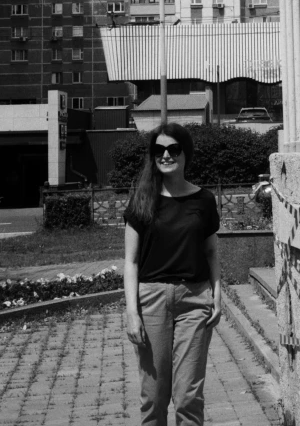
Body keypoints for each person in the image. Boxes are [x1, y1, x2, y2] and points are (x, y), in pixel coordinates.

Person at [124, 122, 221, 426]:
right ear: (152, 155)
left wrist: (218, 295)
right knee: (154, 397)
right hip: (151, 300)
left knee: (188, 396)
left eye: (173, 149)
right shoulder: (142, 200)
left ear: (185, 153)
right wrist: (132, 312)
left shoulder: (203, 201)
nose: (166, 155)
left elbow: (211, 252)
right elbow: (131, 262)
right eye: (159, 150)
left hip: (195, 300)